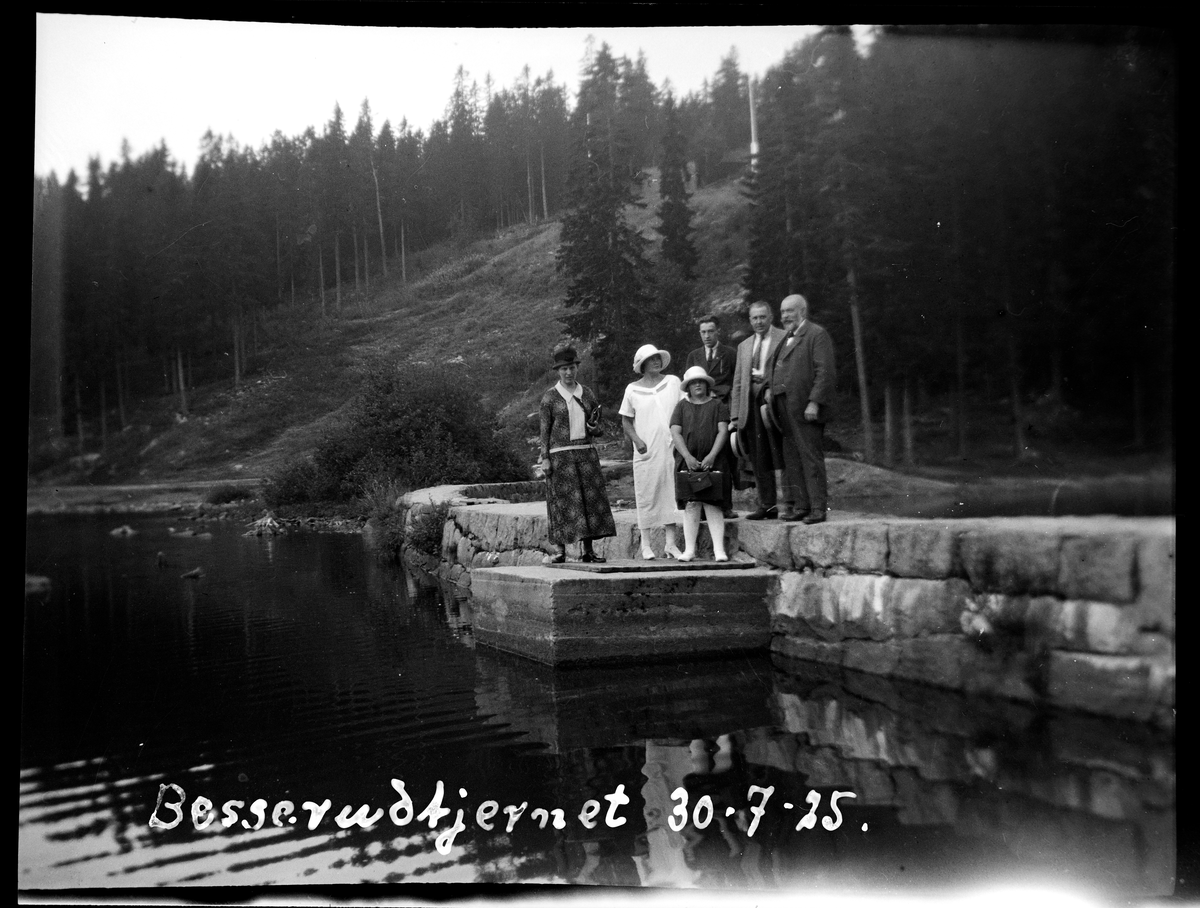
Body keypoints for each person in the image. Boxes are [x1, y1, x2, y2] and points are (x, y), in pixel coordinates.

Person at [538, 347, 617, 563]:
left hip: (586, 455)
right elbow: (544, 430)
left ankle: (588, 551)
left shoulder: (587, 393)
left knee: (589, 503)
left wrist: (594, 428)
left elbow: (598, 426)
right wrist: (545, 458)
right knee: (561, 502)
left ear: (576, 368)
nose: (568, 373)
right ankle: (560, 551)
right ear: (558, 371)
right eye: (564, 369)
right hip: (560, 457)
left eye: (571, 368)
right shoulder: (550, 397)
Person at [764, 294, 836, 524]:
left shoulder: (816, 334)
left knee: (810, 456)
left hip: (805, 406)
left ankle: (818, 508)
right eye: (783, 312)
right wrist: (770, 388)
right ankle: (801, 505)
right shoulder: (787, 337)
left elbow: (825, 372)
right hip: (783, 407)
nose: (785, 316)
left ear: (802, 311)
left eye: (790, 311)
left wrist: (814, 402)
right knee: (792, 457)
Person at [619, 344, 684, 560]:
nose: (655, 361)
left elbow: (685, 409)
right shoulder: (632, 389)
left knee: (671, 493)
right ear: (643, 365)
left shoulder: (673, 382)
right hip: (646, 448)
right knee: (646, 493)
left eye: (657, 358)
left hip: (672, 447)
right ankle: (646, 544)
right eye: (651, 359)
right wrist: (637, 440)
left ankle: (670, 544)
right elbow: (626, 421)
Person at [729, 300, 788, 520]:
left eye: (762, 317)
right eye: (754, 318)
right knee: (758, 455)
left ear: (771, 317)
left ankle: (792, 504)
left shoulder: (784, 338)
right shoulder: (744, 346)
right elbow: (737, 383)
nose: (759, 322)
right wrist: (735, 416)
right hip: (750, 406)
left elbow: (788, 371)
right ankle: (768, 505)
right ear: (750, 320)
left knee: (783, 451)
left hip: (775, 403)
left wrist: (769, 381)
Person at [669, 366, 730, 562]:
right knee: (692, 504)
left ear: (706, 384)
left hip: (713, 460)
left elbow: (722, 431)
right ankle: (689, 550)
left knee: (713, 503)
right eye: (693, 382)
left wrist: (712, 455)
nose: (697, 384)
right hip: (689, 461)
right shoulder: (681, 406)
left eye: (701, 381)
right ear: (687, 386)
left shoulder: (718, 405)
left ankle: (719, 550)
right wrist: (687, 456)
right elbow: (676, 432)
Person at [685, 315, 738, 519]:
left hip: (722, 410)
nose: (707, 336)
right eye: (703, 332)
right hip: (699, 412)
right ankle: (704, 507)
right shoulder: (694, 356)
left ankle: (725, 505)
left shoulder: (730, 354)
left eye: (710, 331)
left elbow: (736, 383)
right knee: (701, 454)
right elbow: (688, 384)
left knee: (723, 458)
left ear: (718, 332)